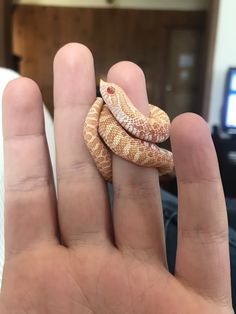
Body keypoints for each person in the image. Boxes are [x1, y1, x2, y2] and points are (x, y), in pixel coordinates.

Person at [0, 43, 234, 313]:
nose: (104, 90)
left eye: (109, 91)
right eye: (106, 91)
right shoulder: (109, 118)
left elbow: (156, 133)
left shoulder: (147, 122)